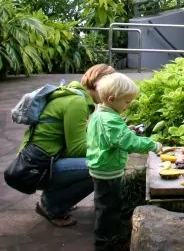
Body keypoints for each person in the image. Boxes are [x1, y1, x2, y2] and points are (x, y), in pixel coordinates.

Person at [14, 64, 116, 227]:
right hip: (36, 170)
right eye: (112, 87)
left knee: (97, 162)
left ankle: (56, 198)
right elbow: (76, 149)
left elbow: (74, 141)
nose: (113, 93)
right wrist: (110, 146)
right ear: (98, 84)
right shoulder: (77, 102)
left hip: (38, 163)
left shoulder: (73, 94)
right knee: (103, 166)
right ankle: (52, 206)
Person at [86, 72, 162, 250]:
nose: (128, 106)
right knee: (107, 208)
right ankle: (104, 242)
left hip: (103, 167)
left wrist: (126, 129)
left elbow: (112, 135)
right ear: (112, 99)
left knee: (110, 203)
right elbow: (128, 142)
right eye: (126, 102)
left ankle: (112, 232)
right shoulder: (110, 119)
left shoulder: (101, 113)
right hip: (107, 170)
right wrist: (153, 145)